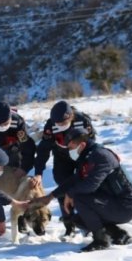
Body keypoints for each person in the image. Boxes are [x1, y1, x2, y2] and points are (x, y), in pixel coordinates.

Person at [32, 128, 132, 252]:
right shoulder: (87, 156)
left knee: (79, 198)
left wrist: (70, 194)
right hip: (111, 202)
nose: (70, 151)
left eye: (71, 148)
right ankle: (119, 235)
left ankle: (101, 240)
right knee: (79, 219)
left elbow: (90, 185)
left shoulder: (100, 155)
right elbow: (75, 180)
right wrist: (50, 197)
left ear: (81, 144)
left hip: (124, 206)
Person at [30, 100, 97, 236]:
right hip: (62, 157)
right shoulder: (51, 125)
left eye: (62, 123)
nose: (59, 126)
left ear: (70, 117)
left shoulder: (82, 121)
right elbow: (44, 150)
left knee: (84, 188)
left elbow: (91, 145)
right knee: (63, 189)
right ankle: (69, 225)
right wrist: (38, 173)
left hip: (80, 156)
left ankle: (89, 222)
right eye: (57, 123)